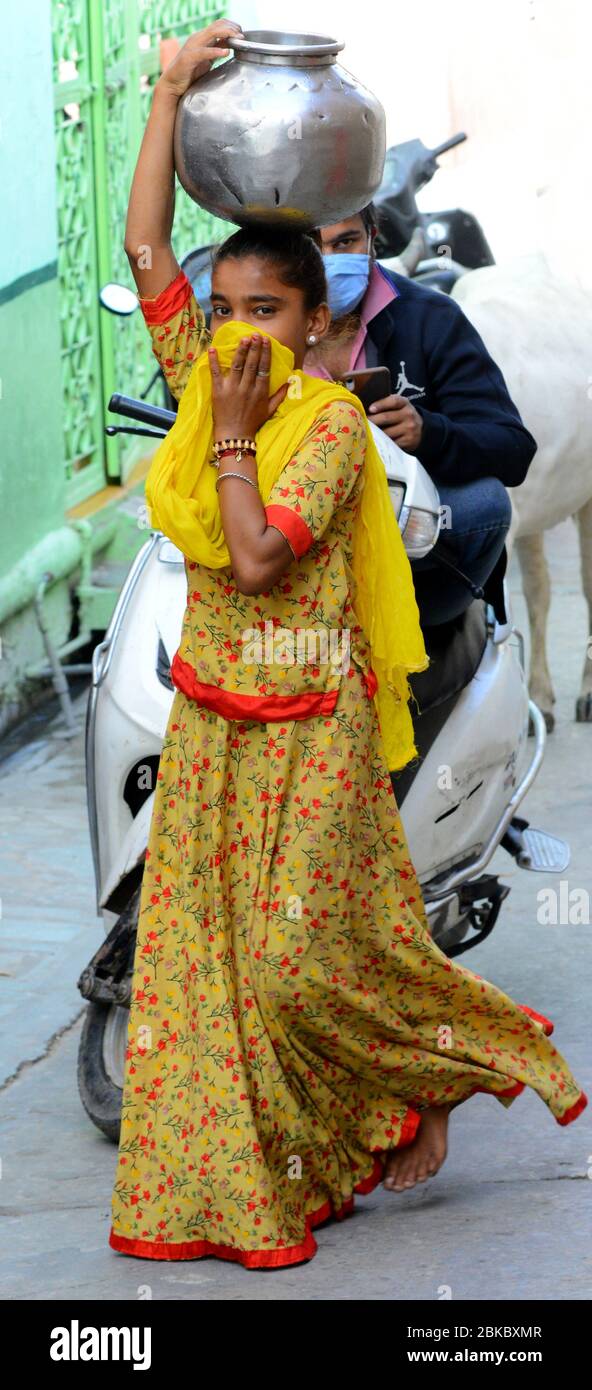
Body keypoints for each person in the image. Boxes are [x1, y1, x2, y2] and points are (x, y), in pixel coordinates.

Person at [107, 22, 587, 1271]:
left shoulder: (324, 429)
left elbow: (258, 556)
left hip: (312, 739)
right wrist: (167, 91)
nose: (240, 333)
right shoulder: (211, 367)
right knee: (205, 981)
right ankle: (246, 1183)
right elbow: (145, 244)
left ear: (320, 325)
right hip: (215, 726)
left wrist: (221, 434)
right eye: (225, 311)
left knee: (302, 965)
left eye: (267, 311)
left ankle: (436, 1076)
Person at [307, 206, 538, 627]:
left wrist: (428, 434)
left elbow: (513, 449)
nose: (329, 262)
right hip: (297, 544)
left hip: (413, 553)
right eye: (310, 247)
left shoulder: (431, 318)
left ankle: (403, 626)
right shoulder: (260, 324)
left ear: (372, 237)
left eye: (345, 242)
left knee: (485, 505)